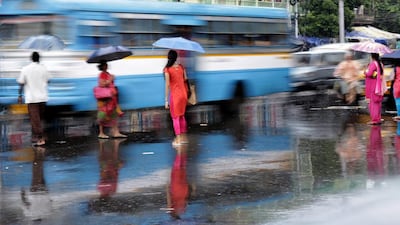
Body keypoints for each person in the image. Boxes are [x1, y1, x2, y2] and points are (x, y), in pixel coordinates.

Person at [17, 51, 51, 146]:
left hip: (32, 98)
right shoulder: (44, 69)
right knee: (40, 118)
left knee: (35, 119)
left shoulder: (25, 69)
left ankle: (40, 138)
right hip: (43, 97)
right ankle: (37, 136)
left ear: (31, 59)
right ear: (39, 59)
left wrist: (20, 96)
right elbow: (48, 81)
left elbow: (21, 83)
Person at [164, 50, 189, 145]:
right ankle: (183, 138)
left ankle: (178, 140)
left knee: (175, 117)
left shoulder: (167, 69)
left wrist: (166, 100)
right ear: (176, 57)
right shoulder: (182, 67)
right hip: (184, 95)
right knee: (182, 116)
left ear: (169, 58)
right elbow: (185, 79)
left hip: (175, 96)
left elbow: (167, 85)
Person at [96, 61, 127, 139]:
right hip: (105, 99)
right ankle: (101, 133)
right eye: (105, 64)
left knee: (114, 114)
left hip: (112, 98)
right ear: (102, 66)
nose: (107, 65)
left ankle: (115, 132)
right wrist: (110, 79)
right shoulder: (102, 74)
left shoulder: (107, 74)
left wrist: (112, 79)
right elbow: (102, 84)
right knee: (103, 115)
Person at [364, 53, 385, 125]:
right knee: (378, 103)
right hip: (379, 85)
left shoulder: (373, 64)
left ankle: (375, 120)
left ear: (372, 56)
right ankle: (378, 118)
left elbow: (369, 74)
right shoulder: (380, 64)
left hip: (373, 85)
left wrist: (365, 71)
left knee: (373, 103)